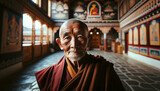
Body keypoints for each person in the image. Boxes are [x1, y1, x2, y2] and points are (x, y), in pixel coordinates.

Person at [35, 19, 125, 91]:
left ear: (88, 41)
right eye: (67, 38)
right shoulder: (49, 75)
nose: (74, 45)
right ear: (60, 44)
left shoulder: (104, 68)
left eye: (80, 37)